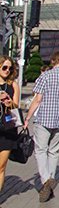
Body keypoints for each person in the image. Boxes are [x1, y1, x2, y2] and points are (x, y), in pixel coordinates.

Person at [24, 51, 59, 203]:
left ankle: (45, 180)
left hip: (44, 118)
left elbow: (37, 99)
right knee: (54, 151)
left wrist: (27, 117)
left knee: (41, 150)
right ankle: (52, 177)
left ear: (53, 61)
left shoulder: (45, 76)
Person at [0, 56, 20, 193]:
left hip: (8, 128)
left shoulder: (13, 85)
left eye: (10, 68)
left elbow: (16, 105)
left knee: (1, 166)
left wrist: (9, 102)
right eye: (4, 67)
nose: (7, 70)